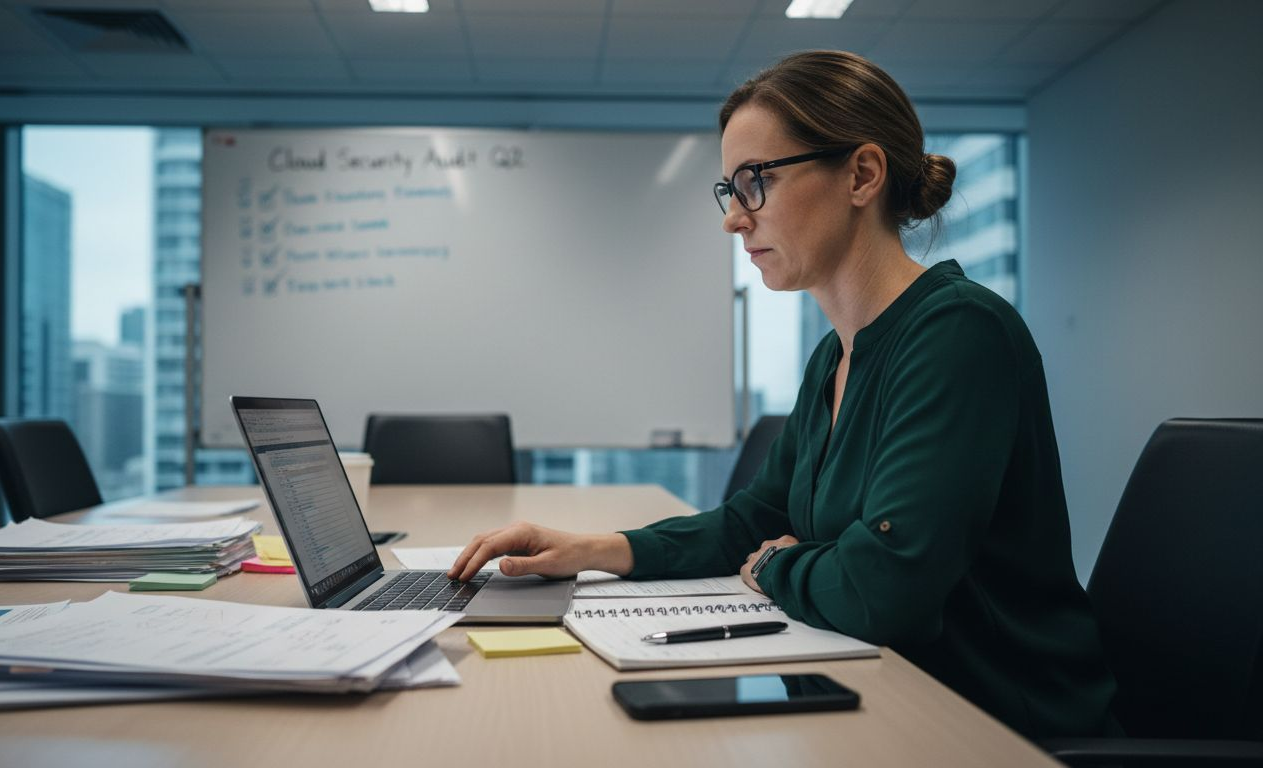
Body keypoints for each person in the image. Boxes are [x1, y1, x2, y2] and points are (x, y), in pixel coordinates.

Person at [448, 50, 1117, 739]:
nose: (734, 219)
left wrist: (776, 565)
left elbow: (882, 590)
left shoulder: (958, 333)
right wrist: (589, 550)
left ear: (861, 174)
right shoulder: (836, 353)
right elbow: (751, 521)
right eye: (728, 190)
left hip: (991, 729)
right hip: (871, 700)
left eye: (755, 182)